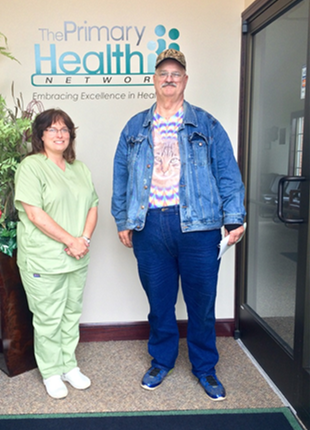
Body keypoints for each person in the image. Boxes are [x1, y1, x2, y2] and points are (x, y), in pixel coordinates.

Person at [111, 49, 245, 401]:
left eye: (176, 73)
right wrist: (123, 218)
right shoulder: (135, 127)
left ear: (185, 80)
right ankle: (162, 360)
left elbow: (228, 173)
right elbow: (121, 175)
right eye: (163, 73)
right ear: (153, 81)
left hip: (198, 226)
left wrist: (235, 215)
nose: (169, 78)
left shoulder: (207, 124)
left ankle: (204, 367)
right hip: (149, 225)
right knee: (159, 301)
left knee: (202, 302)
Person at [15, 109, 98, 399]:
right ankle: (51, 371)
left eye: (64, 130)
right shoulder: (30, 167)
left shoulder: (80, 169)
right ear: (40, 136)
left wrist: (83, 239)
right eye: (52, 130)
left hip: (77, 257)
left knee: (70, 314)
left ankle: (68, 365)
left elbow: (92, 205)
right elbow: (35, 215)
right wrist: (70, 241)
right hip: (44, 259)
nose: (59, 134)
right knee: (48, 318)